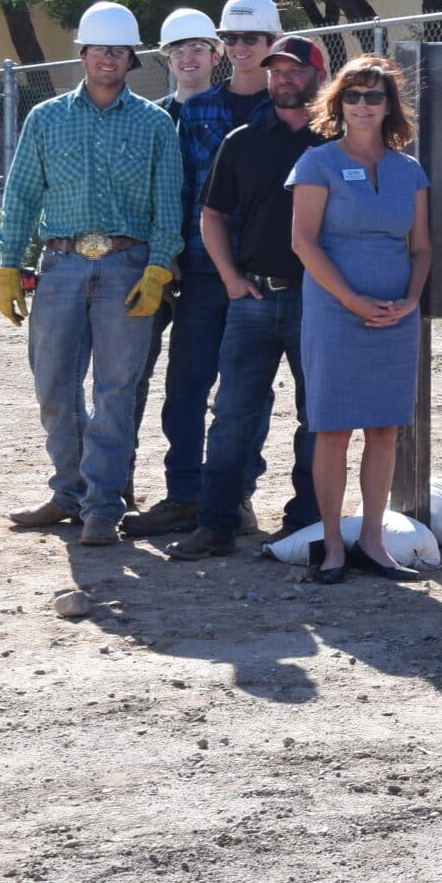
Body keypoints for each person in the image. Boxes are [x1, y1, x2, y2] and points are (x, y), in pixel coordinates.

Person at [0, 2, 183, 547]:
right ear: (82, 55)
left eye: (119, 51)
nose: (109, 59)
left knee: (117, 389)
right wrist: (9, 264)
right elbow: (22, 195)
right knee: (53, 384)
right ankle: (68, 492)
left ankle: (103, 505)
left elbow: (167, 205)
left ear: (132, 59)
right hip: (60, 265)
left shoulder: (154, 124)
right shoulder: (46, 118)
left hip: (127, 264)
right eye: (100, 50)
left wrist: (157, 267)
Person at [165, 35, 329, 559]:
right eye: (276, 70)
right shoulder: (242, 140)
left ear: (319, 76)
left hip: (320, 302)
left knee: (319, 416)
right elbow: (211, 213)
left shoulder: (341, 141)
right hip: (254, 300)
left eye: (296, 71)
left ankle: (306, 523)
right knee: (233, 413)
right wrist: (232, 277)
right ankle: (216, 524)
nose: (284, 79)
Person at [123, 0, 274, 536]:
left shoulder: (287, 111)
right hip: (205, 269)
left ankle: (236, 496)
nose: (240, 47)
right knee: (186, 384)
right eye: (233, 38)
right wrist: (173, 261)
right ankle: (184, 493)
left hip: (267, 272)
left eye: (251, 38)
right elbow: (179, 193)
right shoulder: (192, 113)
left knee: (250, 390)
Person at [288, 54, 431, 584]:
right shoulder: (317, 163)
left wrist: (412, 298)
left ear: (390, 105)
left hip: (394, 317)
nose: (364, 105)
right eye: (354, 95)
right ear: (338, 103)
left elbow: (421, 248)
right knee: (332, 432)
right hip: (335, 313)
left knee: (386, 430)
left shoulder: (409, 170)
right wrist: (350, 300)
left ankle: (373, 543)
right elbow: (303, 241)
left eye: (375, 96)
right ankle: (331, 546)